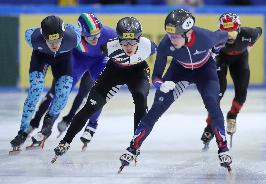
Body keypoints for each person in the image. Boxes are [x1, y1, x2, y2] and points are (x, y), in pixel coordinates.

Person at [118, 9, 233, 173]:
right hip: (179, 71)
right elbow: (156, 75)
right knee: (157, 108)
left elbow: (223, 35)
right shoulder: (166, 43)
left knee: (212, 103)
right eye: (170, 35)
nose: (172, 40)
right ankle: (133, 147)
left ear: (188, 32)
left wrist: (216, 49)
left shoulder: (205, 38)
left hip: (205, 71)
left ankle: (223, 147)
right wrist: (160, 84)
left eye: (176, 36)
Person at [51, 16, 157, 162]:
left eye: (133, 41)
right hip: (114, 73)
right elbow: (92, 56)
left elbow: (164, 55)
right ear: (117, 39)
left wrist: (159, 77)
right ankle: (65, 142)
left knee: (140, 99)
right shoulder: (108, 47)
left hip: (138, 73)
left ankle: (135, 146)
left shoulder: (148, 46)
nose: (129, 47)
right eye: (124, 42)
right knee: (90, 106)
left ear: (140, 38)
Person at [27, 13, 117, 149]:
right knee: (62, 91)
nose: (95, 39)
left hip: (98, 61)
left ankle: (92, 125)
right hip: (77, 60)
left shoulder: (109, 33)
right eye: (91, 36)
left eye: (98, 35)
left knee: (101, 89)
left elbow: (125, 49)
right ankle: (47, 126)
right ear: (81, 33)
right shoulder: (74, 36)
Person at [9, 15, 81, 154]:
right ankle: (22, 132)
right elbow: (29, 31)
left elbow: (76, 27)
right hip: (41, 58)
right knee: (35, 91)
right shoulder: (34, 38)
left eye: (58, 40)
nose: (54, 45)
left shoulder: (72, 38)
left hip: (63, 60)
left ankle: (49, 120)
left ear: (63, 34)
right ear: (43, 36)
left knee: (64, 93)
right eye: (50, 41)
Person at [200, 13, 262, 149]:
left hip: (240, 60)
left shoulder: (249, 33)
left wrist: (250, 45)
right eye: (225, 32)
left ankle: (232, 115)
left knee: (241, 93)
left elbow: (259, 30)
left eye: (232, 32)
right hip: (221, 58)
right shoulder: (215, 38)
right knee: (217, 93)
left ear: (239, 29)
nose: (229, 36)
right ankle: (210, 126)